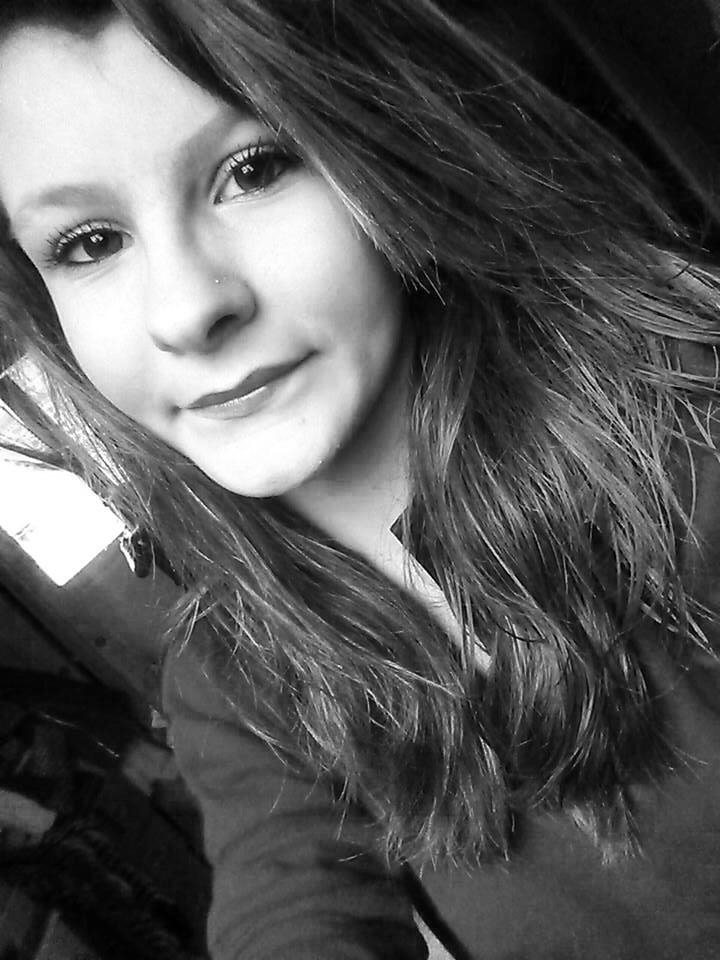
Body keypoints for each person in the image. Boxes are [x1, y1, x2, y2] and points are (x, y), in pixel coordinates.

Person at [1, 1, 720, 957]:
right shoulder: (231, 674)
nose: (185, 309)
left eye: (252, 170)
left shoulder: (677, 417)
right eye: (90, 242)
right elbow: (289, 909)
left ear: (379, 139)